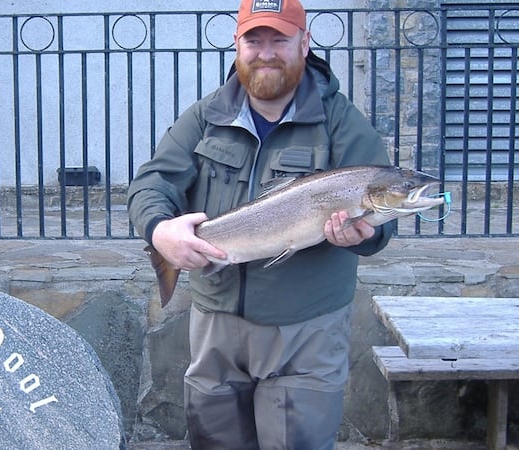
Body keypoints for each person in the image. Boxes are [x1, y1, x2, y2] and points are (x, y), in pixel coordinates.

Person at [126, 0, 396, 448]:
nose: (265, 52)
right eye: (254, 40)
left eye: (280, 39)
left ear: (305, 43)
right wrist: (160, 231)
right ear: (237, 45)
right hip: (216, 328)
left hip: (306, 330)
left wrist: (367, 234)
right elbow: (152, 184)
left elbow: (382, 225)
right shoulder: (205, 116)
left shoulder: (342, 123)